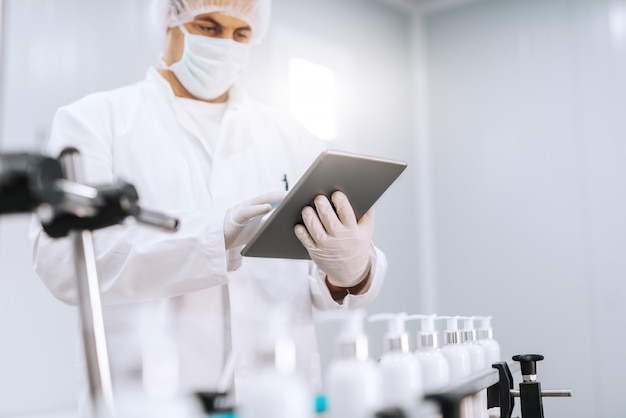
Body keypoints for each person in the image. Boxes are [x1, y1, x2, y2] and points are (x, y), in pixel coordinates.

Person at [30, 0, 387, 401]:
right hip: (151, 399)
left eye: (241, 33)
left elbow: (327, 290)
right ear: (170, 21)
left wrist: (351, 271)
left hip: (280, 398)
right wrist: (212, 238)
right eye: (210, 26)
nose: (226, 45)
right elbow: (62, 262)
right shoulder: (94, 121)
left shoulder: (294, 138)